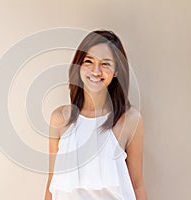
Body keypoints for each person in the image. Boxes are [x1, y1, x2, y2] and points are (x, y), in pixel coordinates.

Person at [44, 30, 147, 200]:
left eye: (105, 64)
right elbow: (51, 184)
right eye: (88, 61)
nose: (96, 71)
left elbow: (137, 185)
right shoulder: (60, 119)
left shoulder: (130, 119)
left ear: (116, 71)